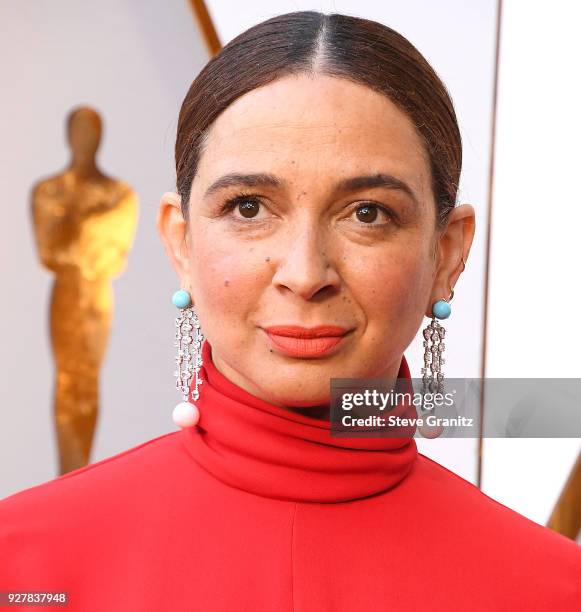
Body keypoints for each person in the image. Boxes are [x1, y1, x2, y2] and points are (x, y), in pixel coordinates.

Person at [1, 10, 579, 611]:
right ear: (180, 242)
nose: (305, 274)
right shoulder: (20, 564)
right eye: (249, 208)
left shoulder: (557, 589)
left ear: (447, 252)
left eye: (367, 213)